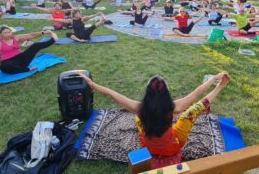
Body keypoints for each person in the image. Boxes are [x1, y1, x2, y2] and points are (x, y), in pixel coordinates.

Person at [76, 71, 231, 169]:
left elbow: (113, 94)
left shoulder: (139, 108)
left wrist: (92, 84)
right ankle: (221, 87)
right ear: (166, 94)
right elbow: (198, 94)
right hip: (173, 147)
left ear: (148, 93)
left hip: (148, 147)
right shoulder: (174, 107)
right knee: (192, 111)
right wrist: (217, 82)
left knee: (138, 119)